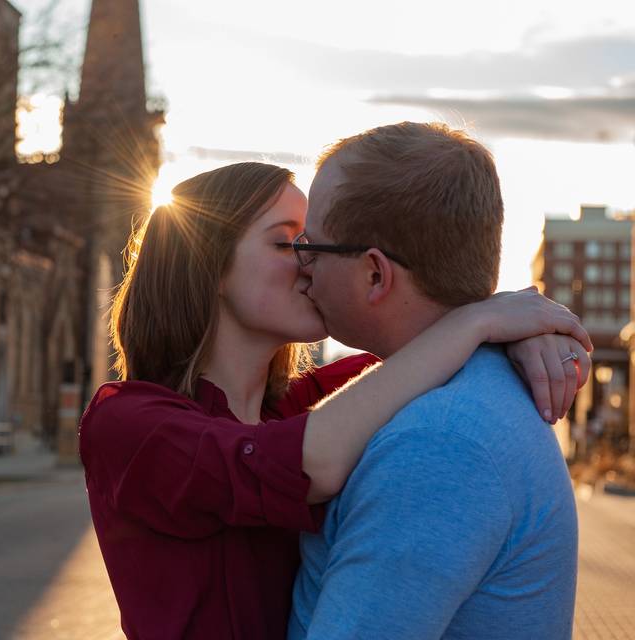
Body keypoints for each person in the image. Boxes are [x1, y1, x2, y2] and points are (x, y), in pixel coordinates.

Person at [79, 162, 590, 639]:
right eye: (287, 243)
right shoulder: (127, 422)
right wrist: (480, 321)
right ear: (207, 263)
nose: (311, 263)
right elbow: (313, 462)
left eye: (315, 243)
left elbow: (418, 348)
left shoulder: (304, 405)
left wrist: (528, 332)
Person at [289, 122, 581, 639]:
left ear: (375, 275)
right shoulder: (461, 395)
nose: (302, 267)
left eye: (311, 246)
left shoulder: (438, 443)